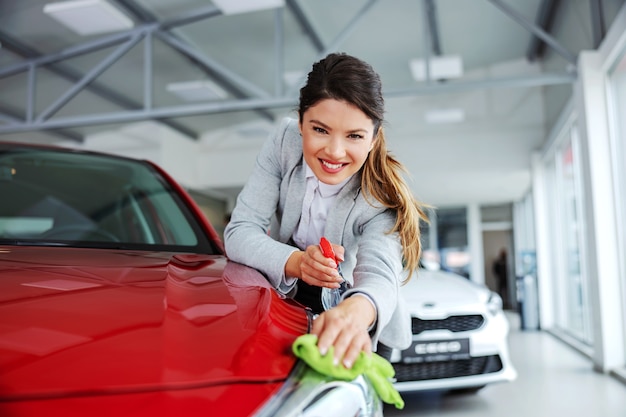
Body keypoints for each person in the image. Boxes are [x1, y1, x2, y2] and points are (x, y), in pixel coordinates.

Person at [224, 52, 429, 369]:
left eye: (354, 136)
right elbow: (240, 232)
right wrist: (298, 262)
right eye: (320, 130)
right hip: (290, 294)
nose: (334, 151)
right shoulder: (284, 141)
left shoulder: (381, 195)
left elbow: (380, 276)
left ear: (373, 139)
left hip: (359, 313)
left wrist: (354, 313)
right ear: (301, 122)